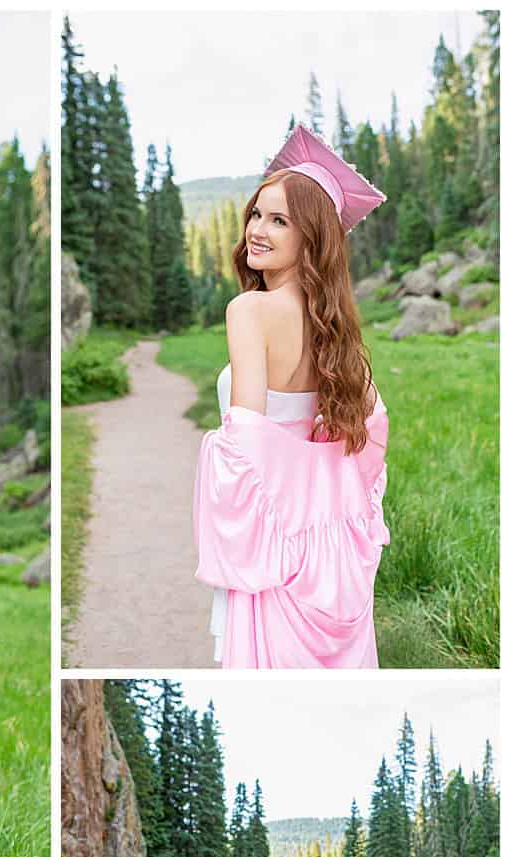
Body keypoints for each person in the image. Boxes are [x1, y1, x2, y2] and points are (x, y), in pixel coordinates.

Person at [194, 126, 389, 667]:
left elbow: (247, 440)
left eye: (279, 220)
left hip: (274, 546)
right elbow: (373, 431)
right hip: (328, 551)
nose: (257, 230)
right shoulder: (336, 328)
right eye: (257, 214)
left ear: (312, 237)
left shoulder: (249, 311)